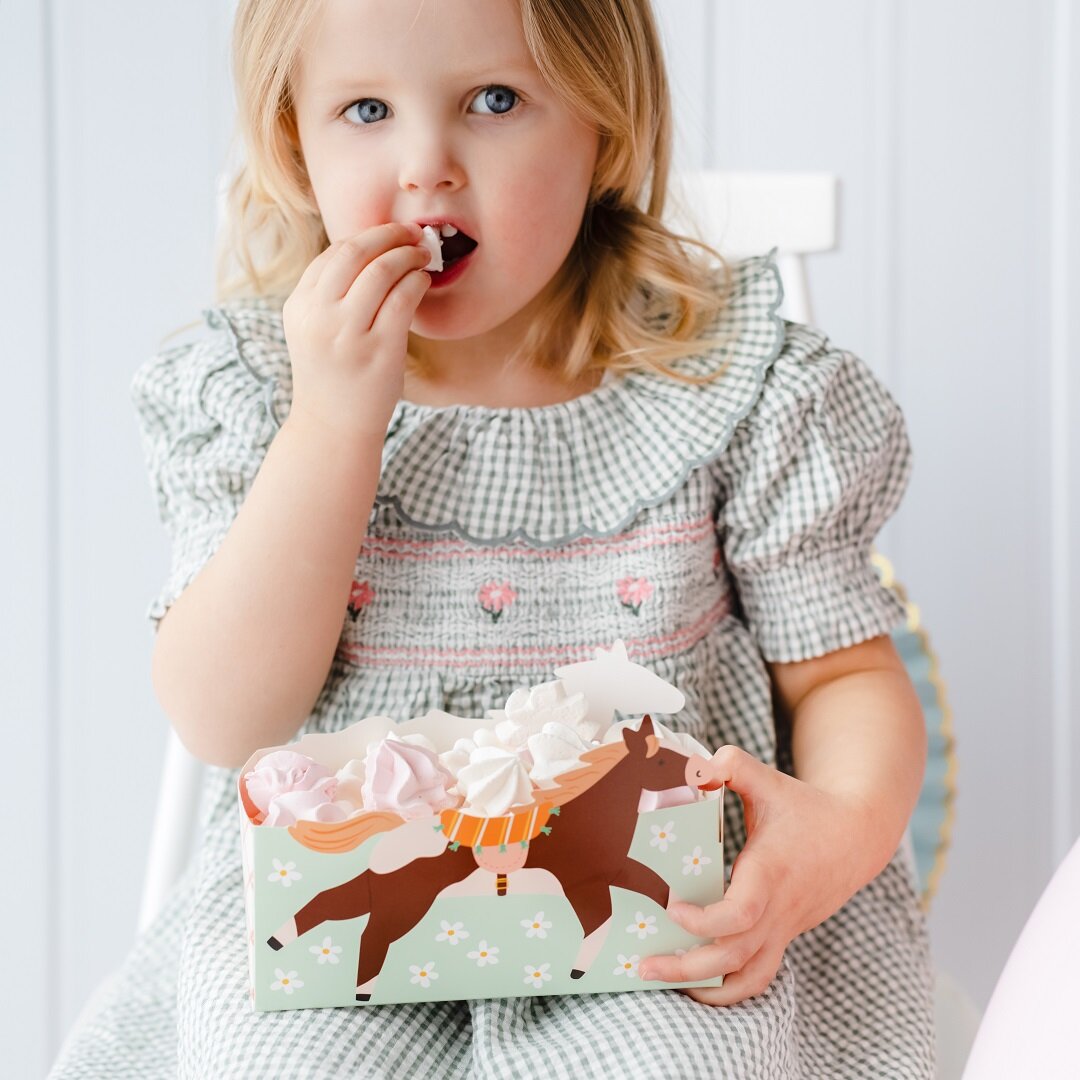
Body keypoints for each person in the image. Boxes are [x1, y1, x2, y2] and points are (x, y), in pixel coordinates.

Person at [49, 0, 934, 1076]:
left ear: (606, 127)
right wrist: (335, 422)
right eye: (365, 109)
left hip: (645, 904)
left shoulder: (734, 389)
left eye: (496, 101)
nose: (427, 167)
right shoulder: (257, 389)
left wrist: (838, 825)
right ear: (295, 142)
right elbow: (222, 716)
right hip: (336, 915)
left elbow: (843, 672)